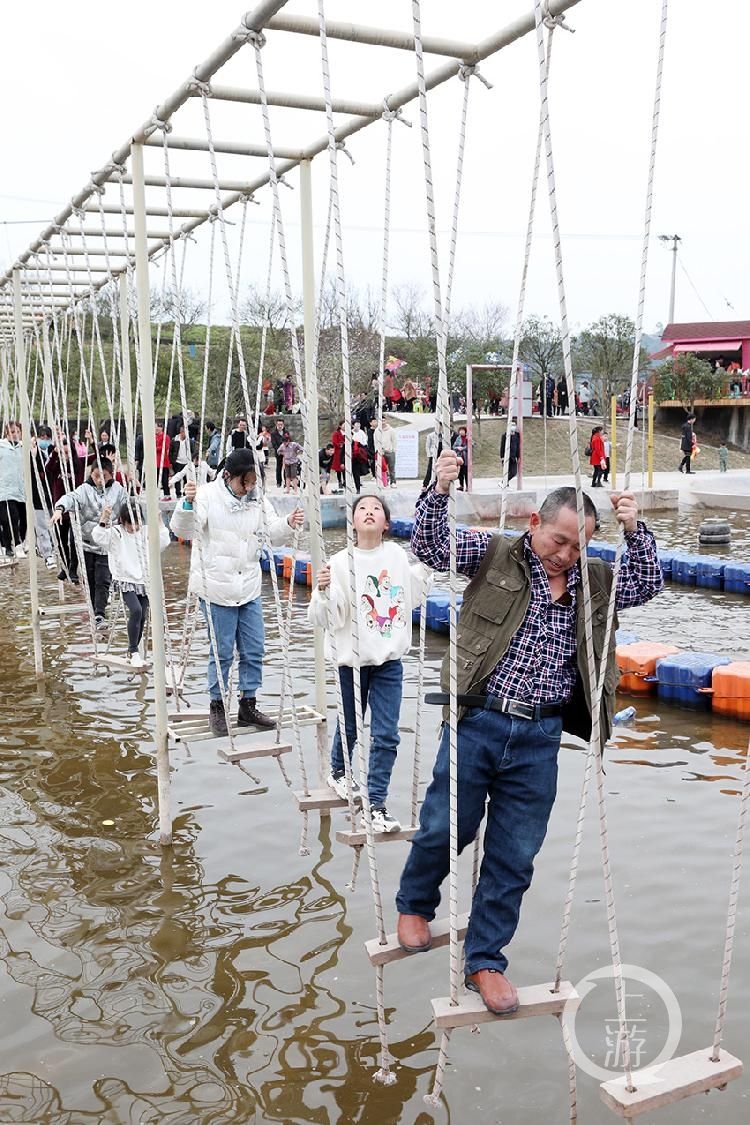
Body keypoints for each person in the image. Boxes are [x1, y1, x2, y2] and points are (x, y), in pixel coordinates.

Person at [395, 451, 663, 1014]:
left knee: (515, 854)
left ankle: (485, 960)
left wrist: (634, 529)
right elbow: (432, 546)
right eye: (559, 540)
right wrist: (439, 489)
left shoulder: (595, 580)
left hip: (541, 734)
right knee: (446, 826)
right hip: (479, 719)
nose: (565, 554)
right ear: (535, 522)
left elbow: (647, 582)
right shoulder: (495, 554)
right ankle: (415, 903)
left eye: (578, 546)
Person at [308, 494, 430, 833]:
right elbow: (330, 617)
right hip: (352, 662)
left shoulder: (396, 556)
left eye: (376, 508)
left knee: (386, 734)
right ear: (353, 521)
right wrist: (323, 591)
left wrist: (430, 563)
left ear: (386, 523)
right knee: (350, 725)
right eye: (362, 508)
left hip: (389, 662)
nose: (369, 512)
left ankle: (376, 804)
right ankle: (338, 771)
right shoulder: (340, 562)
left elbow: (411, 592)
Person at [169, 449, 304, 735]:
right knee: (222, 651)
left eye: (254, 482)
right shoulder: (207, 495)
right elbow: (185, 530)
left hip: (248, 586)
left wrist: (288, 523)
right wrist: (187, 503)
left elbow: (271, 531)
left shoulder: (257, 499)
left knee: (254, 648)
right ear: (228, 476)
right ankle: (217, 705)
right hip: (216, 587)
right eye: (246, 482)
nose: (250, 487)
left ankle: (247, 704)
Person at [92, 499, 169, 666]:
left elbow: (164, 542)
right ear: (122, 521)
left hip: (145, 579)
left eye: (136, 523)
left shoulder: (146, 531)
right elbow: (98, 536)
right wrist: (104, 518)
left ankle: (132, 651)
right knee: (136, 610)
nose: (134, 528)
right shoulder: (117, 533)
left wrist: (159, 520)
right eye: (129, 524)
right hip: (125, 579)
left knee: (142, 616)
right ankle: (133, 650)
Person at [51, 458, 127, 626]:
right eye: (96, 476)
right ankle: (94, 612)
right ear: (91, 474)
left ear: (111, 474)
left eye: (104, 476)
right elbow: (70, 498)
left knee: (103, 580)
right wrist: (59, 509)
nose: (100, 480)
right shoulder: (84, 490)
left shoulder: (118, 490)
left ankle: (100, 614)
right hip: (86, 544)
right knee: (91, 580)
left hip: (107, 545)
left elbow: (128, 507)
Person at [30, 434, 56, 569]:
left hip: (53, 496)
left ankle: (54, 550)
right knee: (41, 526)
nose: (44, 440)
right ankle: (47, 554)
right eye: (41, 437)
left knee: (53, 526)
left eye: (47, 437)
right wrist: (32, 454)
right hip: (37, 496)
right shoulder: (32, 453)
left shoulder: (54, 452)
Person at [0, 421, 26, 558]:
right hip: (4, 490)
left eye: (17, 431)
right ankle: (13, 545)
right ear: (6, 433)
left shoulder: (23, 447)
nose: (15, 434)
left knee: (23, 520)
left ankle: (18, 542)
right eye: (12, 432)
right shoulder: (1, 447)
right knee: (9, 519)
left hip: (20, 489)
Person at [170, 425, 192, 498]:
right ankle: (178, 493)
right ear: (181, 432)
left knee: (187, 479)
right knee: (177, 478)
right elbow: (171, 451)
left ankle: (186, 492)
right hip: (177, 462)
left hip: (186, 462)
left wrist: (191, 459)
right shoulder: (175, 440)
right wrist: (172, 461)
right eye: (185, 432)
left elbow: (193, 450)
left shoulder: (189, 441)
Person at [376, 419, 397, 487]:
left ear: (386, 421)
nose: (382, 422)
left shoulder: (391, 430)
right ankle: (383, 481)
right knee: (381, 468)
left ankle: (393, 482)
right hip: (381, 452)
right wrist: (377, 450)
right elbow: (375, 441)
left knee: (391, 468)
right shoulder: (377, 430)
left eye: (384, 420)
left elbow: (394, 441)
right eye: (381, 421)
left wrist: (393, 450)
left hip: (390, 452)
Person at [155, 421, 171, 497]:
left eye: (157, 427)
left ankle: (167, 494)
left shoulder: (165, 437)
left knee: (164, 480)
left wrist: (155, 448)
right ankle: (156, 495)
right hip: (155, 462)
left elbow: (165, 447)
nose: (156, 429)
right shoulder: (154, 437)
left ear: (161, 428)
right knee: (155, 480)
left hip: (163, 462)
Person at [271, 418, 287, 489]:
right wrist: (279, 450)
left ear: (283, 425)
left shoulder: (286, 432)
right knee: (279, 467)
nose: (280, 426)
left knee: (286, 467)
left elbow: (289, 441)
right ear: (276, 425)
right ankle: (278, 482)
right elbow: (274, 443)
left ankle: (287, 481)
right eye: (278, 424)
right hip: (278, 453)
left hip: (286, 453)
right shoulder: (273, 433)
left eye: (281, 424)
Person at [330, 421, 346, 490]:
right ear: (340, 426)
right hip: (338, 453)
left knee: (345, 468)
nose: (345, 427)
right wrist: (341, 444)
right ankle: (339, 481)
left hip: (345, 452)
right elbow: (334, 442)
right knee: (338, 469)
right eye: (344, 425)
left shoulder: (348, 433)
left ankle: (345, 481)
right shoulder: (336, 433)